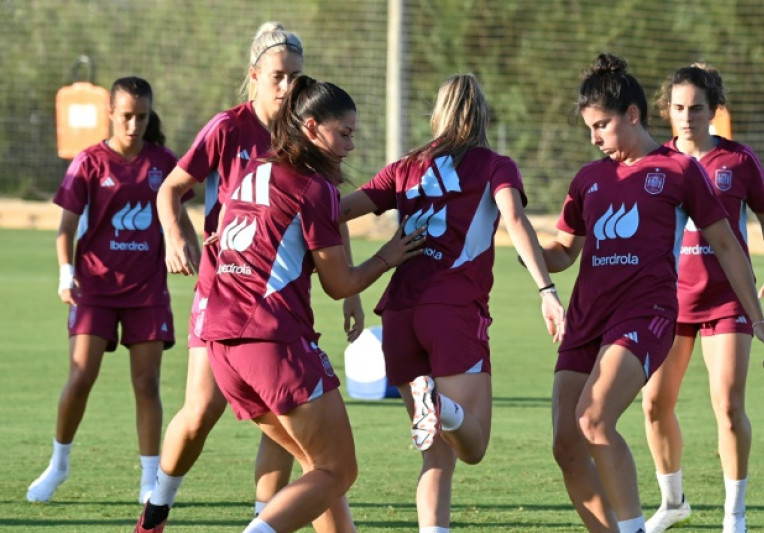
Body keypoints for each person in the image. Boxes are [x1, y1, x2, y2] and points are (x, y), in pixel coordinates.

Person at [543, 53, 764, 533]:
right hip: (587, 316)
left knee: (596, 419)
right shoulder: (589, 179)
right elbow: (564, 252)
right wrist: (520, 246)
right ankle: (637, 518)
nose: (594, 138)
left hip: (648, 313)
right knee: (567, 444)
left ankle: (710, 517)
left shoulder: (678, 170)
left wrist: (758, 319)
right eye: (589, 128)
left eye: (602, 126)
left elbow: (728, 246)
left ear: (632, 115)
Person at [136, 22, 358, 533]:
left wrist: (349, 293)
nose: (287, 87)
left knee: (304, 443)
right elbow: (171, 188)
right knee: (200, 412)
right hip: (223, 291)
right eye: (279, 76)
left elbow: (326, 214)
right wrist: (178, 235)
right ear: (254, 76)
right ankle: (156, 511)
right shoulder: (228, 129)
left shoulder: (309, 134)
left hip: (276, 298)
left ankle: (268, 516)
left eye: (296, 77)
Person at [339, 73, 565, 533]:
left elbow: (333, 212)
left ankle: (437, 415)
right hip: (453, 310)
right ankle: (444, 406)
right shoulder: (494, 165)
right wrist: (547, 291)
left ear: (437, 115)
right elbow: (515, 220)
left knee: (435, 456)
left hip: (399, 314)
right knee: (472, 446)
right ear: (482, 115)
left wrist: (351, 287)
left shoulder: (405, 166)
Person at [202, 75, 423, 533]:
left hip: (222, 347)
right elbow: (339, 283)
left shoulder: (252, 172)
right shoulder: (311, 187)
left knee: (316, 466)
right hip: (273, 343)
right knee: (339, 470)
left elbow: (220, 236)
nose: (351, 144)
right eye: (344, 133)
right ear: (310, 126)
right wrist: (389, 256)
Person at [28, 76, 195, 504]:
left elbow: (180, 214)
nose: (133, 124)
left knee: (147, 383)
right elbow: (66, 228)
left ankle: (149, 479)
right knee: (81, 375)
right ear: (110, 115)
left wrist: (188, 246)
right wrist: (66, 273)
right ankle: (58, 465)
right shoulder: (88, 162)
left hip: (146, 292)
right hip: (95, 288)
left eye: (141, 116)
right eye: (126, 116)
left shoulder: (163, 162)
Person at [640, 64, 764, 533]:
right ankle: (673, 501)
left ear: (713, 111)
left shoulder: (738, 161)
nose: (686, 118)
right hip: (669, 301)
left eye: (696, 109)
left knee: (727, 405)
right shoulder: (654, 161)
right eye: (678, 109)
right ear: (667, 111)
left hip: (727, 301)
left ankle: (734, 515)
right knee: (654, 404)